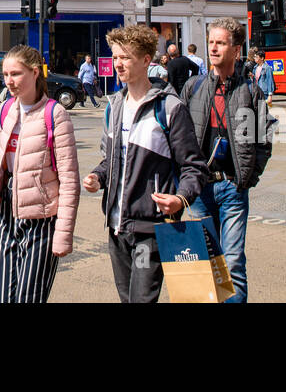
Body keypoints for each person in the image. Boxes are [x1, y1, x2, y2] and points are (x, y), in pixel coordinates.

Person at [84, 25, 206, 303]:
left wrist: (180, 199)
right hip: (116, 226)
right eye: (115, 57)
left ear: (146, 60)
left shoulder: (170, 108)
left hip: (149, 228)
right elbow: (112, 160)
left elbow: (193, 166)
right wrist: (98, 176)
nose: (118, 64)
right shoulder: (113, 105)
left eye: (125, 58)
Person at [180, 17, 271, 303]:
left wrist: (247, 177)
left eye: (221, 43)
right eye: (211, 42)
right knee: (205, 263)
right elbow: (178, 136)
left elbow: (263, 138)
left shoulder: (250, 91)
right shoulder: (193, 87)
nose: (214, 48)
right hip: (199, 189)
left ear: (236, 49)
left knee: (232, 263)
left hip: (232, 187)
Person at [0, 45, 80, 302]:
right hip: (9, 215)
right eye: (5, 74)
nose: (9, 81)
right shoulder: (4, 110)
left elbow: (70, 180)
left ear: (35, 72)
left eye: (15, 74)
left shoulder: (55, 114)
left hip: (42, 219)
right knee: (4, 294)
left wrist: (63, 234)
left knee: (29, 297)